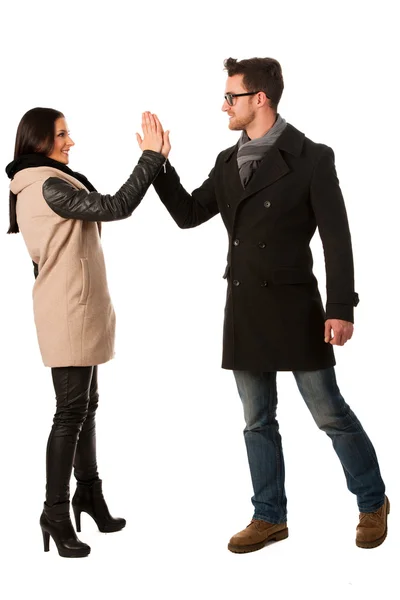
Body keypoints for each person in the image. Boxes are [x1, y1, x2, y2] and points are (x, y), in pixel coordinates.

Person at [147, 57, 388, 553]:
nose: (223, 105)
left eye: (230, 97)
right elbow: (190, 214)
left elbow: (336, 240)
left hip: (297, 307)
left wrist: (340, 307)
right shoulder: (226, 162)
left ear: (260, 98)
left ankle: (372, 500)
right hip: (245, 309)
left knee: (329, 414)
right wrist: (157, 164)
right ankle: (269, 516)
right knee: (257, 420)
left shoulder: (313, 158)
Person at [6, 108, 165, 558]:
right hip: (69, 310)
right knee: (70, 411)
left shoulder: (46, 182)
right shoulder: (46, 184)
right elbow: (116, 206)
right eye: (61, 134)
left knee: (85, 406)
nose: (69, 142)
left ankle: (88, 495)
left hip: (77, 306)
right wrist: (151, 158)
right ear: (39, 142)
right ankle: (55, 512)